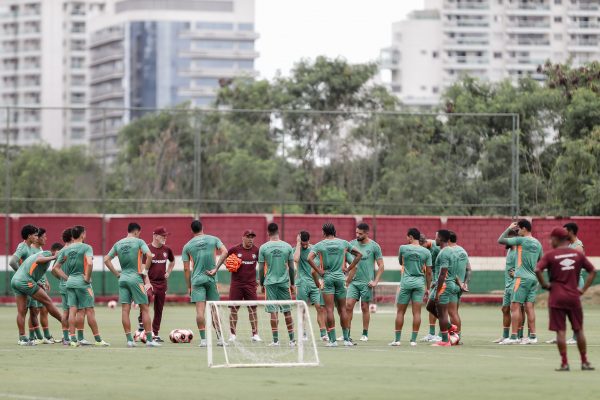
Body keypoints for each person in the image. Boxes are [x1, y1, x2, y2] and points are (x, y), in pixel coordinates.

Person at [535, 227, 596, 371]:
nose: (550, 242)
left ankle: (564, 363)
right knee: (579, 329)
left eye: (551, 239)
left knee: (561, 331)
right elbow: (592, 271)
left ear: (556, 239)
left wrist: (545, 285)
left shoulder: (550, 255)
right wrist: (582, 289)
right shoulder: (577, 254)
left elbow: (537, 270)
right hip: (574, 296)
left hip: (556, 297)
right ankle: (584, 361)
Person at [53, 225, 110, 347]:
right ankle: (98, 339)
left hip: (70, 283)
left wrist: (67, 278)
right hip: (82, 283)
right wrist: (87, 278)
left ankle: (73, 340)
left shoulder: (65, 249)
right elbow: (89, 263)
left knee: (72, 310)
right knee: (89, 310)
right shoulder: (86, 247)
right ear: (82, 235)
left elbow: (55, 268)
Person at [104, 222, 159, 347]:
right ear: (136, 232)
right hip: (135, 278)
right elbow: (149, 255)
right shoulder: (139, 242)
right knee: (144, 308)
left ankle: (129, 340)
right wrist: (145, 272)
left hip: (123, 278)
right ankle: (150, 340)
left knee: (125, 310)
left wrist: (117, 274)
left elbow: (106, 259)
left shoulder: (118, 243)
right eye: (139, 233)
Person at [308, 222, 362, 347]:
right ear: (334, 231)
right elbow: (359, 254)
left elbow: (309, 258)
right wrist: (348, 270)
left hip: (328, 278)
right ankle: (347, 339)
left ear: (324, 232)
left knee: (329, 309)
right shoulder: (343, 243)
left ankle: (332, 341)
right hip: (340, 278)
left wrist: (319, 271)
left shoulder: (320, 245)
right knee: (343, 309)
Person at [182, 220, 228, 347]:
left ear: (192, 231)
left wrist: (189, 286)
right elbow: (225, 252)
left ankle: (203, 341)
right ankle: (220, 339)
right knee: (215, 310)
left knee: (200, 311)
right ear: (203, 228)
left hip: (197, 280)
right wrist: (216, 269)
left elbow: (186, 269)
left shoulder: (187, 246)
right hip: (211, 278)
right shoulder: (213, 239)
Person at [498, 220, 543, 345]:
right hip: (534, 279)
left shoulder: (521, 240)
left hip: (521, 278)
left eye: (518, 229)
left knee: (515, 306)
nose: (517, 232)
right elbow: (541, 261)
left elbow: (501, 240)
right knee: (530, 307)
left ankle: (514, 337)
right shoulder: (538, 243)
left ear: (524, 228)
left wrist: (509, 228)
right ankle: (533, 337)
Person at [11, 243, 64, 346]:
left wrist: (37, 282)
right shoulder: (46, 254)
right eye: (61, 253)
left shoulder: (45, 255)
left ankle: (22, 338)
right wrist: (54, 256)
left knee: (21, 312)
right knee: (48, 302)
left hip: (16, 280)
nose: (61, 255)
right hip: (24, 281)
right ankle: (66, 324)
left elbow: (31, 269)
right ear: (56, 251)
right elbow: (39, 260)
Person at [214, 229, 261, 343]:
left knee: (253, 310)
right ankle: (232, 334)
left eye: (252, 237)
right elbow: (224, 257)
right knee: (234, 309)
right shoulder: (235, 249)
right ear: (243, 237)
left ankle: (255, 334)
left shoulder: (256, 250)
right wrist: (228, 265)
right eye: (248, 237)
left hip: (250, 285)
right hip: (237, 284)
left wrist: (260, 279)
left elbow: (262, 264)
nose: (250, 239)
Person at [390, 228, 432, 347]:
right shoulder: (426, 252)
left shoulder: (403, 248)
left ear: (411, 237)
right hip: (419, 284)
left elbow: (400, 262)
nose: (406, 239)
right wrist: (428, 288)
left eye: (407, 237)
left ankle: (397, 340)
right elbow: (429, 272)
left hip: (406, 283)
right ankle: (413, 340)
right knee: (417, 313)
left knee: (400, 312)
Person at [258, 223, 296, 347]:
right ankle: (292, 340)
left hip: (270, 283)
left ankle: (275, 341)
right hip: (284, 282)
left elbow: (260, 268)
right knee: (287, 311)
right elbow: (291, 267)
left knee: (273, 312)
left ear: (268, 232)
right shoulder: (287, 246)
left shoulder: (263, 248)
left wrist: (262, 283)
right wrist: (292, 283)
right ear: (278, 231)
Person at [345, 222, 384, 343]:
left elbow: (381, 265)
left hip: (366, 283)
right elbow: (343, 255)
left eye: (360, 233)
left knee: (364, 307)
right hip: (353, 282)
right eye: (356, 232)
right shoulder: (351, 244)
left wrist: (375, 281)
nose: (357, 235)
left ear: (367, 233)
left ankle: (365, 333)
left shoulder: (374, 246)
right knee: (348, 306)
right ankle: (347, 334)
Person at [136, 226, 175, 343]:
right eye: (163, 236)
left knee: (159, 309)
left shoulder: (167, 250)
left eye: (166, 235)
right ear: (155, 236)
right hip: (150, 282)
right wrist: (147, 282)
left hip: (162, 283)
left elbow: (172, 261)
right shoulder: (146, 249)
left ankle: (155, 333)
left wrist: (168, 272)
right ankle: (141, 322)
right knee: (146, 298)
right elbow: (143, 267)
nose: (165, 237)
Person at [426, 230, 459, 347]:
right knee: (430, 306)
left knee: (442, 313)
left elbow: (443, 273)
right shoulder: (450, 251)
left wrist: (437, 293)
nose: (435, 239)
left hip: (443, 286)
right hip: (442, 284)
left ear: (440, 238)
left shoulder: (444, 253)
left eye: (436, 237)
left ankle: (445, 340)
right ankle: (450, 327)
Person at [294, 231, 328, 342]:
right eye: (302, 243)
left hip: (314, 283)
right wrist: (298, 244)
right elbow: (296, 259)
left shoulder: (314, 249)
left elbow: (320, 265)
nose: (304, 245)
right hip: (302, 283)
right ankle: (303, 333)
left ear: (309, 240)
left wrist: (321, 279)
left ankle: (323, 333)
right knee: (302, 309)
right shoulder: (297, 249)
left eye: (305, 243)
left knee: (320, 307)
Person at [51, 228, 77, 345]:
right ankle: (74, 337)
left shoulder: (60, 251)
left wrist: (62, 278)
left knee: (65, 312)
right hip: (73, 284)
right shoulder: (74, 250)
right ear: (72, 238)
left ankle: (65, 337)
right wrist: (69, 278)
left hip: (62, 285)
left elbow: (53, 270)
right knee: (75, 311)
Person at [493, 229, 518, 344]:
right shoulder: (510, 250)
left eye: (508, 239)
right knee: (505, 309)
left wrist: (516, 273)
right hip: (507, 285)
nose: (505, 241)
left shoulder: (518, 251)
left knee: (516, 310)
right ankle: (505, 336)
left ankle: (517, 336)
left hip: (515, 284)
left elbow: (526, 265)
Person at [448, 231, 471, 341]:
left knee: (452, 313)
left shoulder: (449, 251)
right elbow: (469, 269)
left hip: (451, 284)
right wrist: (465, 283)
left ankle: (456, 337)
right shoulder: (463, 251)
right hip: (460, 286)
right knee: (454, 312)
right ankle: (456, 336)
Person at [419, 233, 441, 342]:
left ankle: (442, 334)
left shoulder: (437, 248)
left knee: (441, 306)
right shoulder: (425, 250)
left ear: (425, 242)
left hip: (441, 280)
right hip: (433, 280)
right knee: (431, 305)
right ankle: (432, 334)